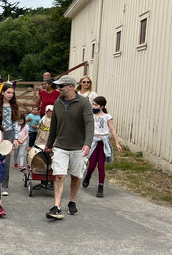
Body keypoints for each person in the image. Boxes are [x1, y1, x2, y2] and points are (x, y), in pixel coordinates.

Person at [44, 75, 94, 220]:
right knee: (59, 175)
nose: (58, 88)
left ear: (70, 87)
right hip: (61, 146)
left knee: (76, 176)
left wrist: (87, 143)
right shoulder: (57, 103)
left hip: (79, 147)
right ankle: (57, 206)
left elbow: (89, 124)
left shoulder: (84, 103)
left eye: (61, 86)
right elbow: (54, 126)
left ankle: (72, 201)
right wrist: (49, 145)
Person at [82, 96, 122, 198]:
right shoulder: (90, 115)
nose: (93, 106)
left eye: (96, 105)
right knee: (91, 165)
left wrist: (117, 143)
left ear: (102, 106)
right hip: (93, 142)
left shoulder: (107, 117)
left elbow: (112, 129)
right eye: (93, 104)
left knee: (101, 166)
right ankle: (88, 176)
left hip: (103, 143)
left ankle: (101, 187)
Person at [0, 83, 20, 196]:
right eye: (8, 92)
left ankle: (4, 185)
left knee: (6, 161)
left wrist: (15, 138)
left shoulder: (14, 106)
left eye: (12, 93)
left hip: (9, 133)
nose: (10, 95)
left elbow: (15, 123)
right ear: (3, 93)